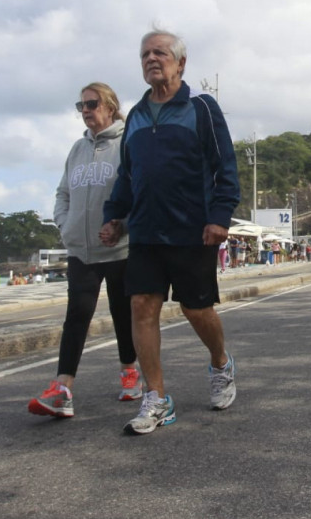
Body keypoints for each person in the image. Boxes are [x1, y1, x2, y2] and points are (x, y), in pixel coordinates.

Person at [100, 29, 241, 436]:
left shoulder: (201, 108)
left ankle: (219, 363)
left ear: (181, 63)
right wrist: (114, 215)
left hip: (192, 230)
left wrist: (219, 216)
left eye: (160, 53)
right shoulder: (137, 117)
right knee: (142, 305)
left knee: (197, 310)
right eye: (145, 54)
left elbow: (224, 167)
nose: (151, 59)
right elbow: (126, 175)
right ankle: (157, 397)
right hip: (144, 231)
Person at [29, 82, 142, 419]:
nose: (86, 111)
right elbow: (62, 193)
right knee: (77, 316)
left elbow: (139, 191)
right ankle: (62, 389)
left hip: (119, 248)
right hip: (81, 249)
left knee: (124, 316)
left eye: (92, 104)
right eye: (81, 106)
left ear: (110, 106)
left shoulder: (127, 144)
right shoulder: (77, 149)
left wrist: (122, 223)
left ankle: (130, 371)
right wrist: (66, 225)